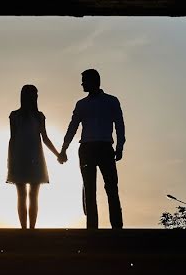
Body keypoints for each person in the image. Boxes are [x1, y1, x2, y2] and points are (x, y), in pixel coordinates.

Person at [59, 69, 125, 229]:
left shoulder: (111, 101)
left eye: (84, 80)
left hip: (102, 147)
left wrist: (120, 145)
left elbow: (119, 124)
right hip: (88, 148)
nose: (82, 83)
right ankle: (93, 228)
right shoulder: (82, 104)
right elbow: (72, 127)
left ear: (93, 81)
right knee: (90, 189)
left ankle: (116, 227)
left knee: (110, 187)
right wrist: (64, 148)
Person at [7, 84, 63, 229]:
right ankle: (25, 228)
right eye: (34, 94)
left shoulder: (39, 116)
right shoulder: (15, 116)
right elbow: (12, 139)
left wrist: (58, 154)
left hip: (34, 157)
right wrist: (10, 160)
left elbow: (45, 138)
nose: (36, 97)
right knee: (23, 195)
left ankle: (30, 228)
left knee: (32, 195)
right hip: (21, 157)